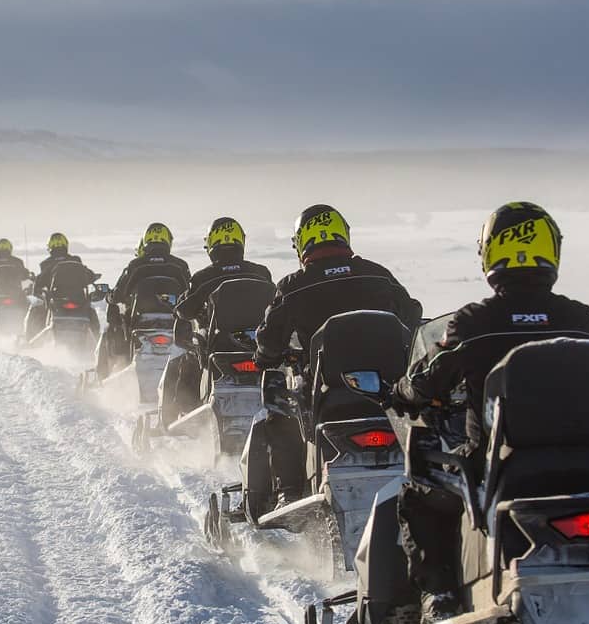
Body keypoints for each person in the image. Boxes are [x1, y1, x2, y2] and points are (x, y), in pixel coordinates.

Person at [392, 201, 589, 624]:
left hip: (501, 465)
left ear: (491, 253)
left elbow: (429, 377)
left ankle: (440, 596)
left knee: (420, 494)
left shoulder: (476, 321)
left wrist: (402, 392)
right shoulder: (580, 319)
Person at [252, 204, 422, 508]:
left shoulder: (293, 287)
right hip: (389, 394)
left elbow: (267, 342)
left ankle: (289, 490)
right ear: (343, 234)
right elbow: (412, 314)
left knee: (278, 404)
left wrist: (268, 357)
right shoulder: (378, 275)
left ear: (303, 241)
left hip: (326, 396)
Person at [160, 217, 272, 423]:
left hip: (219, 349)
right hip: (260, 349)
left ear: (212, 244)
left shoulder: (203, 277)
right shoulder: (261, 273)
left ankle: (177, 418)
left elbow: (185, 311)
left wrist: (181, 309)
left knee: (184, 360)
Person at [96, 223, 191, 378]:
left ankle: (105, 374)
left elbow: (119, 295)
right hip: (174, 323)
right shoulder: (180, 265)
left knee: (113, 330)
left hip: (140, 322)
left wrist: (110, 297)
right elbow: (190, 294)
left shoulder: (136, 264)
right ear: (168, 241)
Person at [25, 232, 100, 341]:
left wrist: (36, 289)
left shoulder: (46, 264)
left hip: (57, 301)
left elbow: (40, 281)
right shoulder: (76, 261)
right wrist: (93, 277)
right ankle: (99, 345)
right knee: (91, 312)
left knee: (37, 309)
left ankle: (30, 342)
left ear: (50, 247)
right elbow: (88, 274)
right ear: (65, 245)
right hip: (78, 300)